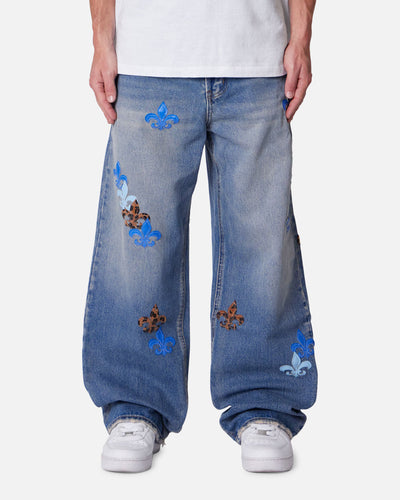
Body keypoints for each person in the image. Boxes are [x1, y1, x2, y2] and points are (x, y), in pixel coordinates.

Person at [83, 0, 318, 473]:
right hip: (148, 58)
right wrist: (101, 40)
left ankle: (264, 403)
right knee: (140, 248)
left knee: (262, 242)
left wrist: (302, 35)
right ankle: (135, 403)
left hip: (258, 58)